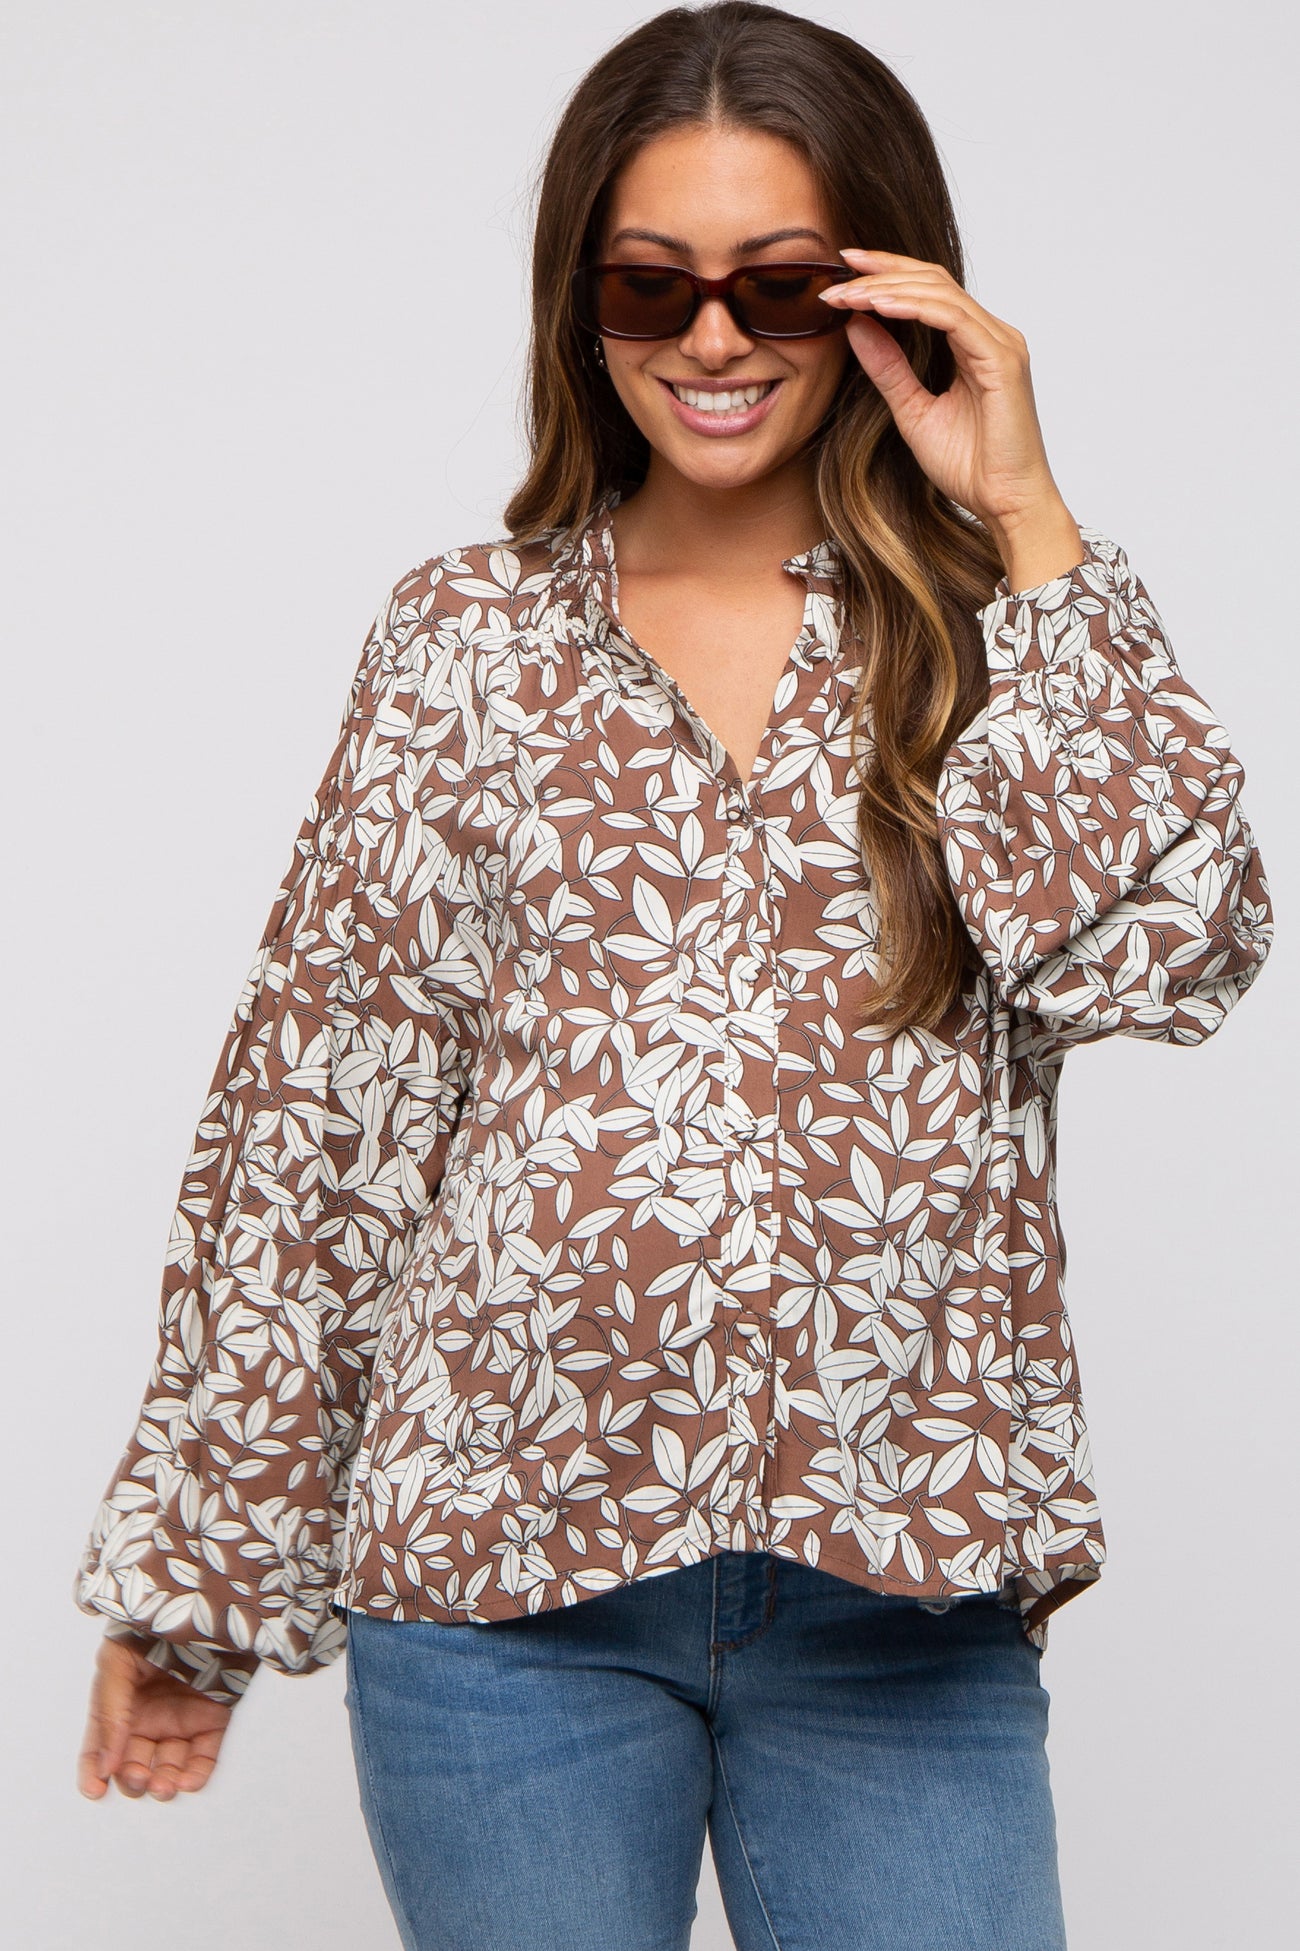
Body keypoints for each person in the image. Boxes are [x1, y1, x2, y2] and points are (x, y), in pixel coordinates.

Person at [73, 4, 1273, 1946]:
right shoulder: (463, 641)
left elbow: (1174, 951)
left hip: (898, 1589)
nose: (712, 339)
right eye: (653, 283)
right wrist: (198, 1584)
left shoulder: (990, 633)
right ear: (585, 301)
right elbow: (319, 1121)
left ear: (880, 296)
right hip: (501, 1599)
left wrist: (1025, 513)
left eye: (776, 285)